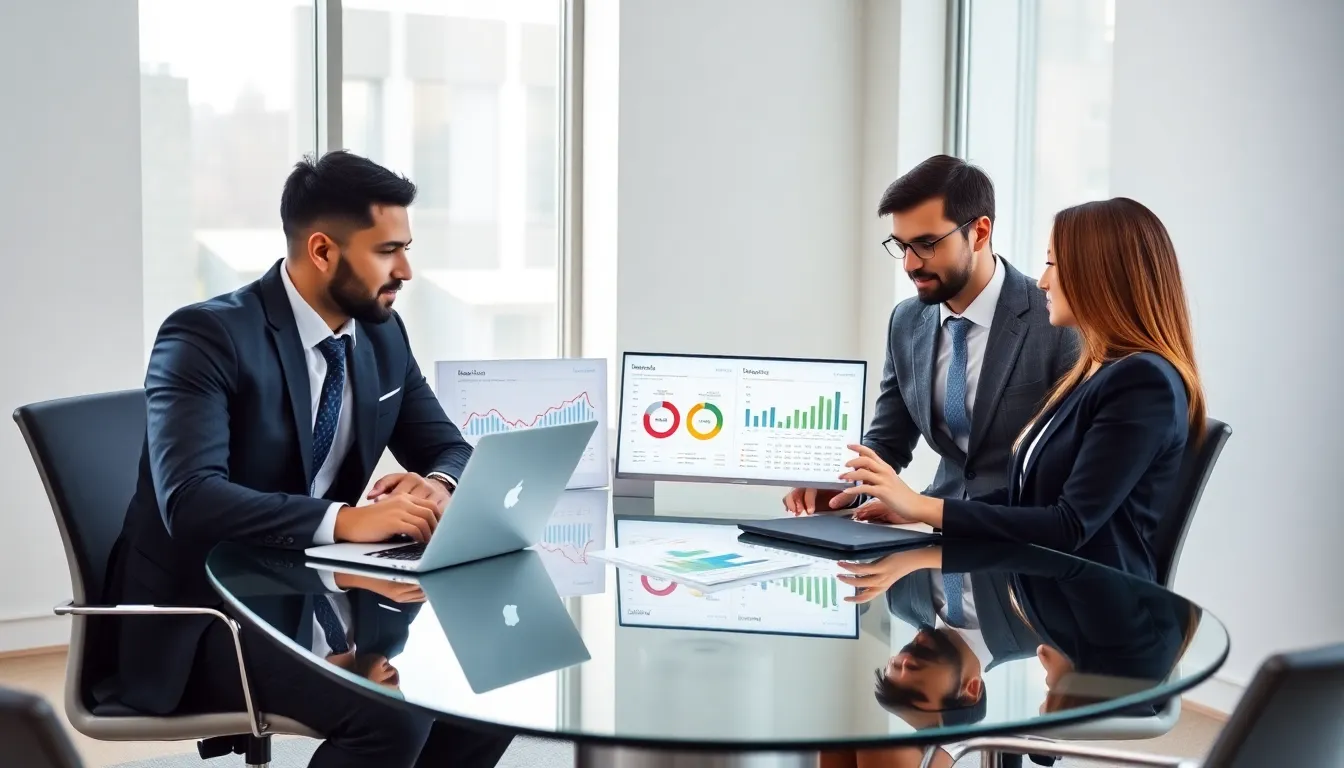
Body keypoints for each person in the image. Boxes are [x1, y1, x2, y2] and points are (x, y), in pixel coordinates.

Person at [104, 150, 513, 767]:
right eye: (387, 250)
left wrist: (435, 482)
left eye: (406, 247)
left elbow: (449, 445)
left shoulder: (379, 332)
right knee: (390, 719)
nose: (405, 269)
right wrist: (347, 520)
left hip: (323, 591)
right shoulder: (205, 337)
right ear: (323, 251)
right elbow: (190, 500)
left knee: (486, 692)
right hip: (209, 616)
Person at [835, 197, 1206, 580]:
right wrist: (921, 507)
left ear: (1100, 274)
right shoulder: (1096, 370)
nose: (1043, 280)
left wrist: (921, 507)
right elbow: (1029, 495)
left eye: (1052, 264)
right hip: (1050, 596)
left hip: (1099, 609)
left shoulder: (1142, 383)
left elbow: (1069, 525)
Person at [784, 154, 1078, 517]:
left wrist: (923, 508)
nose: (910, 264)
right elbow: (888, 440)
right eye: (902, 246)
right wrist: (842, 484)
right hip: (934, 533)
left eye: (926, 244)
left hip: (1020, 538)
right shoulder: (906, 321)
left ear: (980, 233)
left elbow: (1068, 477)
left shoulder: (1056, 321)